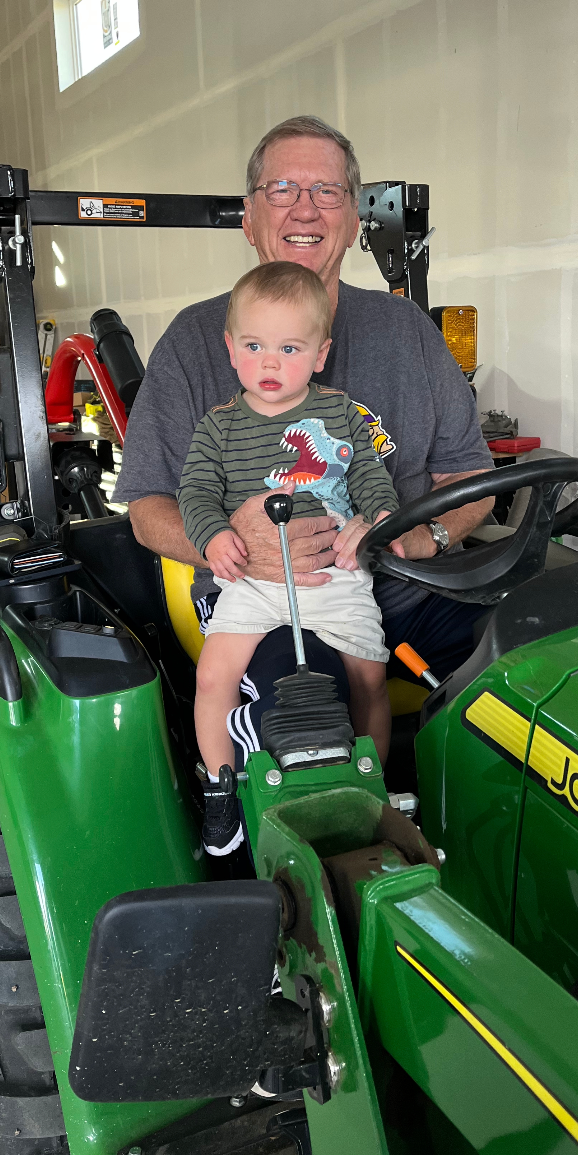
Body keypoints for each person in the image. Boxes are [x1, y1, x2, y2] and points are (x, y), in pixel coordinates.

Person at [115, 115, 494, 760]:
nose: (306, 209)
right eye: (283, 189)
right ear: (249, 218)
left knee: (544, 653)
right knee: (308, 718)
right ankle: (242, 805)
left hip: (406, 588)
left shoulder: (406, 330)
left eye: (328, 192)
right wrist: (233, 546)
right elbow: (148, 510)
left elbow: (469, 479)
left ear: (353, 218)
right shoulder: (193, 342)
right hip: (262, 598)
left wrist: (422, 536)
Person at [180, 262, 403, 780]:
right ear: (231, 348)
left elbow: (370, 476)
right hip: (252, 581)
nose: (269, 362)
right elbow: (195, 493)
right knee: (213, 678)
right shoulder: (217, 427)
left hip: (334, 574)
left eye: (289, 348)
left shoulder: (341, 415)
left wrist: (381, 518)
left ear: (320, 354)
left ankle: (372, 783)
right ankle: (222, 788)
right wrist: (213, 534)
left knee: (370, 680)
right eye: (254, 346)